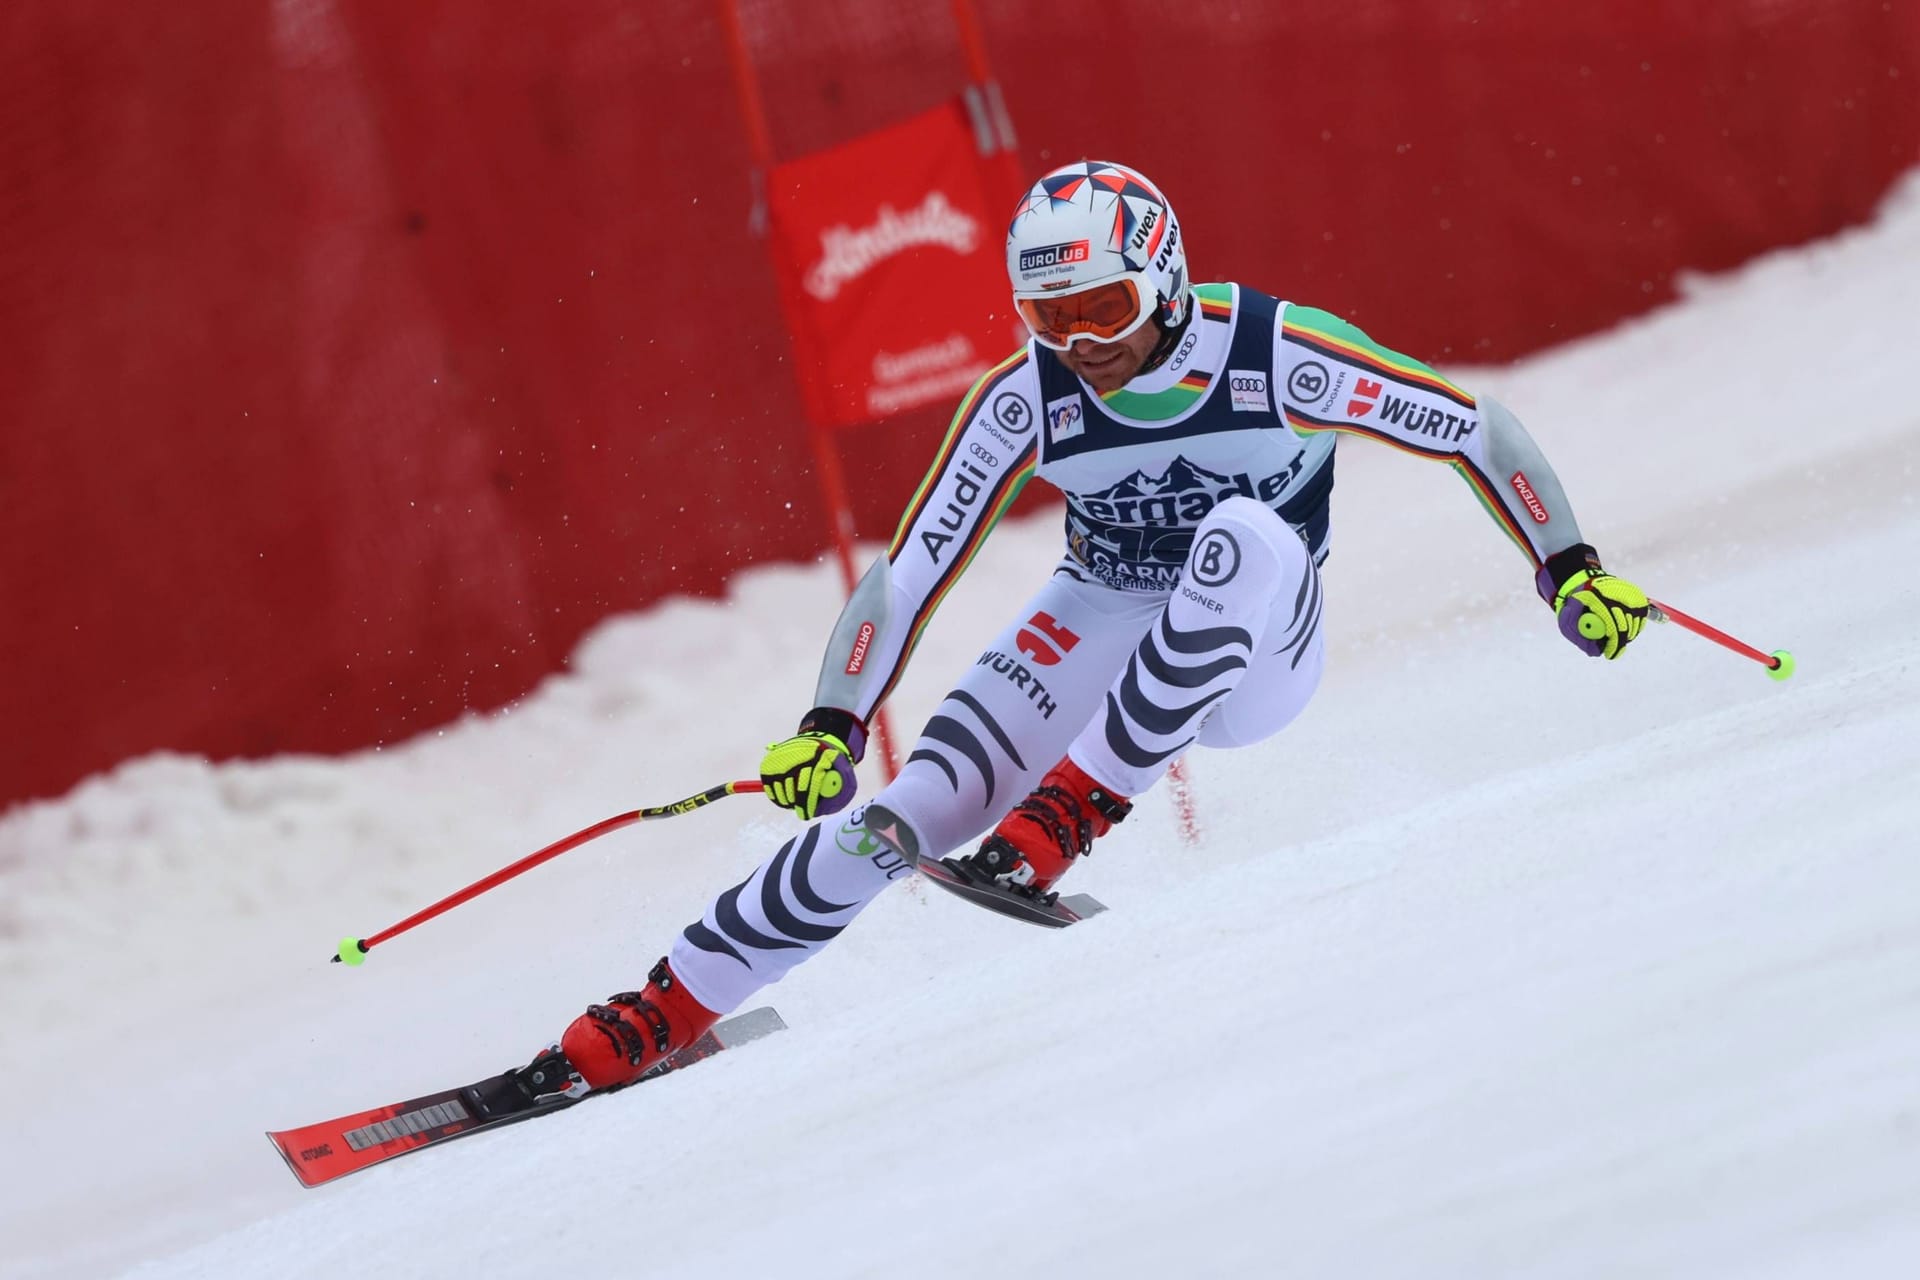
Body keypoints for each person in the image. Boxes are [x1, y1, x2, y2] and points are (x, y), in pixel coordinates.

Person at [542, 160, 1650, 1093]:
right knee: (908, 811)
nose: (1082, 343)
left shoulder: (1278, 352)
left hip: (1259, 648)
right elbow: (909, 571)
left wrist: (1569, 569)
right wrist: (833, 720)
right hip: (1106, 617)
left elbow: (1476, 427)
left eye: (1103, 310)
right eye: (1048, 317)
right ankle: (668, 1002)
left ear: (1162, 280)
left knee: (1242, 534)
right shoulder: (1025, 397)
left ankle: (1068, 815)